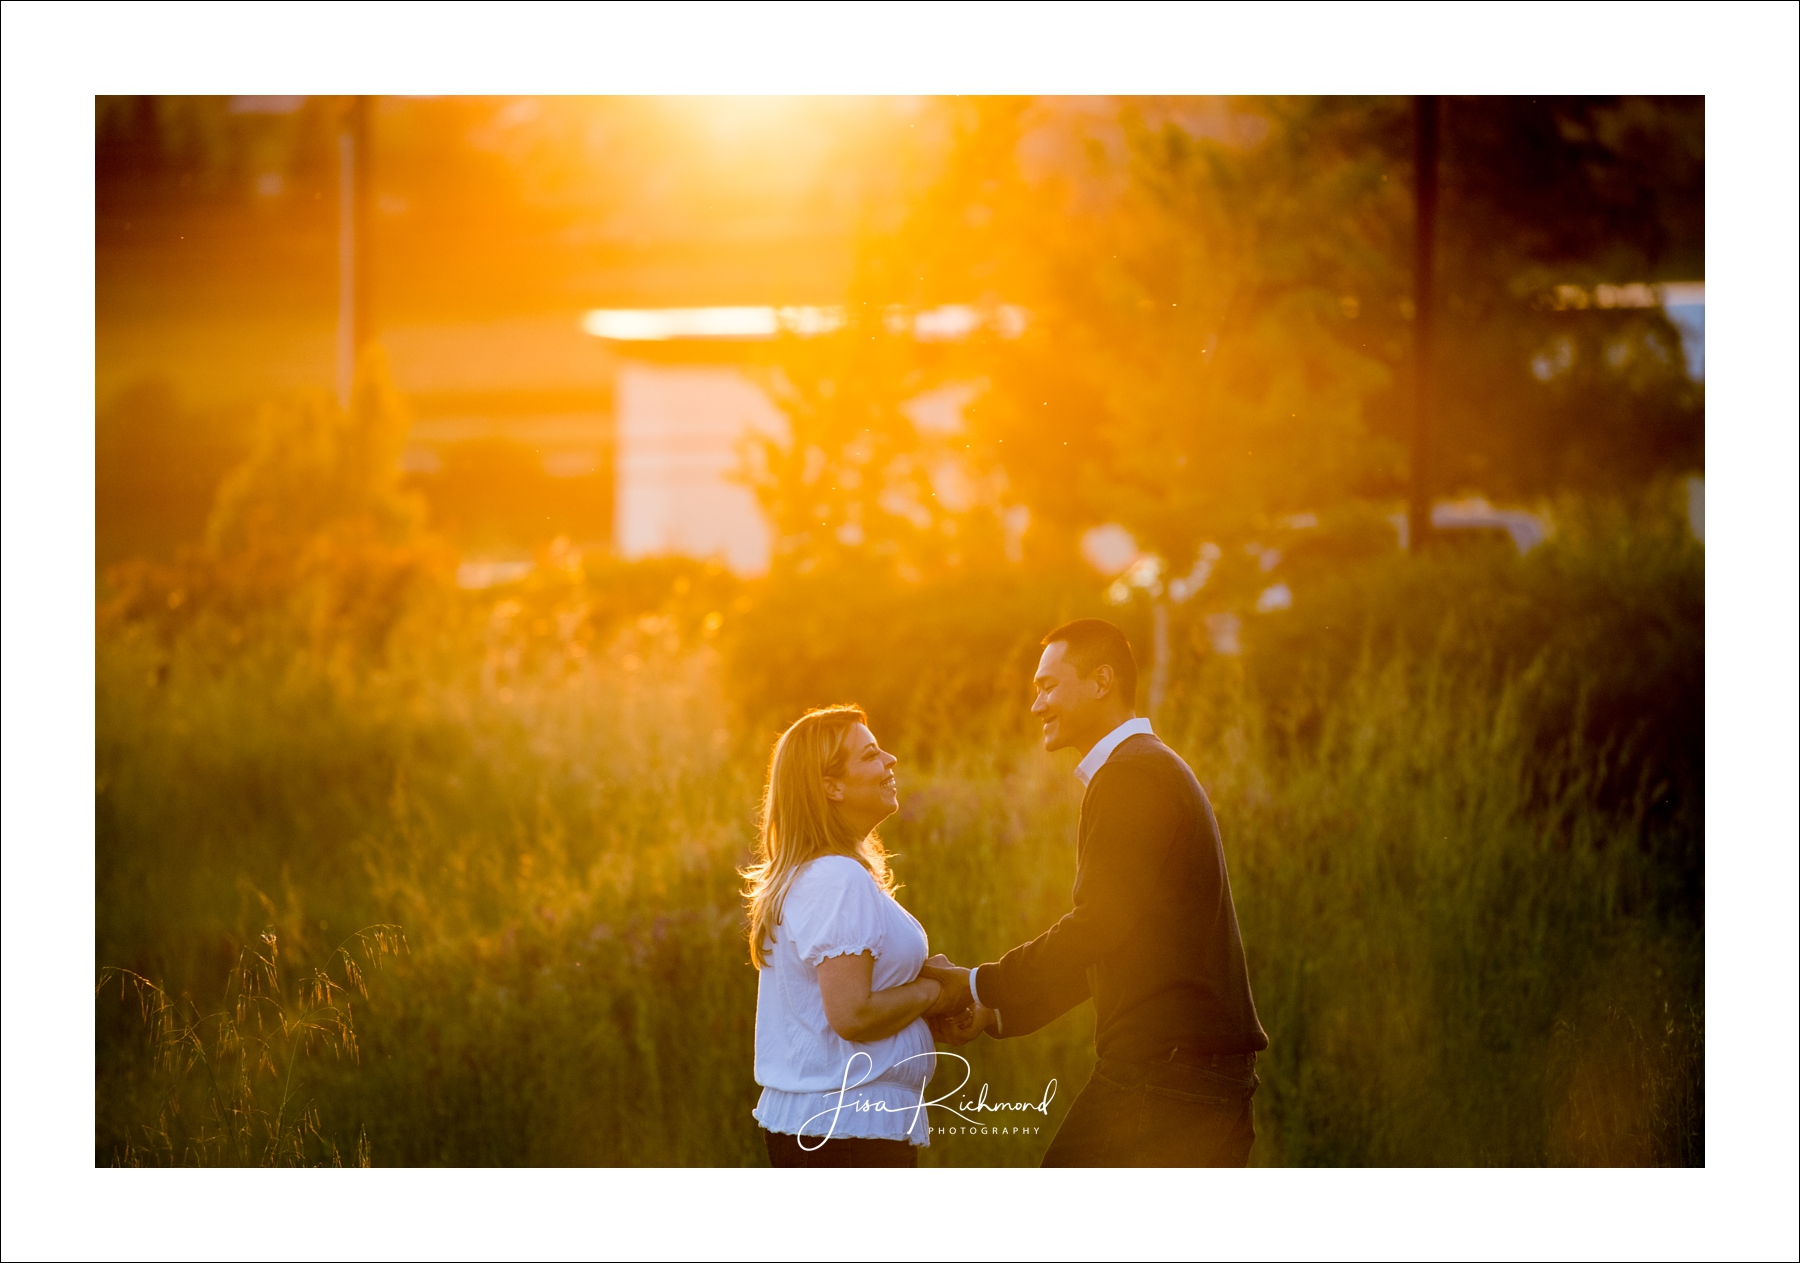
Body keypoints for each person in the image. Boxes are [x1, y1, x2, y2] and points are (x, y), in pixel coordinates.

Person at [930, 618, 1269, 1166]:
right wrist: (995, 1010)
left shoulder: (1131, 775)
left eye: (1048, 686)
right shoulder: (1147, 767)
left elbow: (1098, 925)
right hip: (1197, 1081)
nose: (1036, 705)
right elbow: (1121, 939)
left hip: (1164, 1079)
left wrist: (976, 983)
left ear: (1101, 681)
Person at [743, 705, 965, 1167]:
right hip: (845, 1132)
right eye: (870, 755)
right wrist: (931, 992)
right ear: (831, 785)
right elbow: (853, 1013)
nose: (891, 760)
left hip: (843, 1126)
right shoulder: (836, 878)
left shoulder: (826, 875)